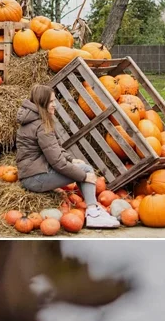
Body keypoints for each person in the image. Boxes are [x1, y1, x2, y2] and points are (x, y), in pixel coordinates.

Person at [15, 84, 119, 228]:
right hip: (34, 178)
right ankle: (93, 213)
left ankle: (92, 209)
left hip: (32, 174)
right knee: (86, 171)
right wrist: (83, 176)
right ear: (43, 103)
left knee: (82, 168)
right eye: (51, 102)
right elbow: (57, 162)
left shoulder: (36, 121)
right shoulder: (41, 125)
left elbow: (55, 148)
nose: (54, 105)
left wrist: (71, 159)